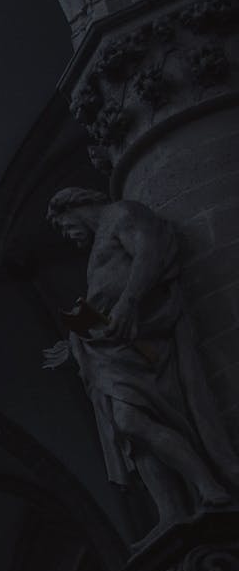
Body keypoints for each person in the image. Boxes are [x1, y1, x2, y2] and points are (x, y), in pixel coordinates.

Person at [44, 187, 238, 524]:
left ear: (74, 206)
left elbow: (150, 252)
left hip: (141, 338)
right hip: (111, 347)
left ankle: (209, 486)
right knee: (129, 435)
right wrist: (77, 340)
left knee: (131, 421)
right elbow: (105, 294)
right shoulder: (100, 240)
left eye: (63, 226)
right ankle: (172, 512)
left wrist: (129, 301)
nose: (67, 235)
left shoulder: (121, 214)